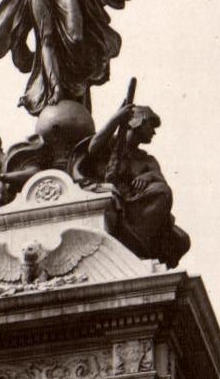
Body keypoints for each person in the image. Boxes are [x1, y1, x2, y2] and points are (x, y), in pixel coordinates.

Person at [71, 100, 190, 268]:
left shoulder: (146, 159)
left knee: (181, 239)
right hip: (116, 202)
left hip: (136, 207)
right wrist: (116, 118)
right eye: (151, 125)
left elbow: (160, 180)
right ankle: (135, 243)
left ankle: (138, 241)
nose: (154, 132)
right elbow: (93, 148)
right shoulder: (112, 144)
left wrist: (149, 176)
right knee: (161, 192)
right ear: (136, 123)